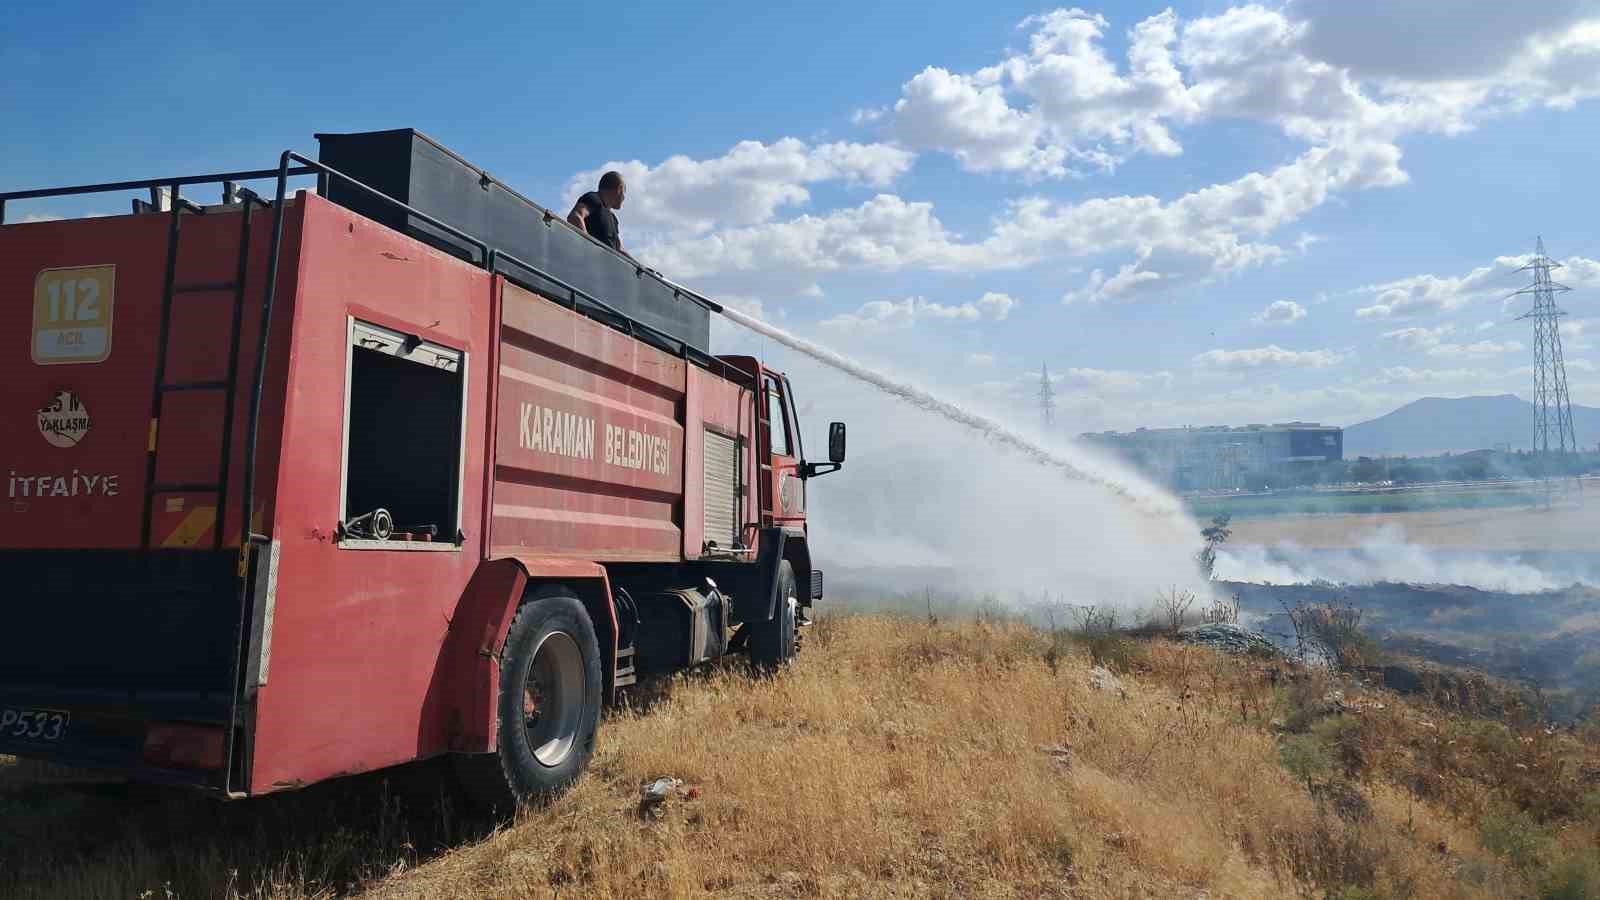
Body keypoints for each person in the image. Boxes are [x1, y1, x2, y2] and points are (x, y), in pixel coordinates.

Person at [567, 171, 630, 258]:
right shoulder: (593, 199)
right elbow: (575, 217)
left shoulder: (613, 218)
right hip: (591, 264)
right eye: (624, 192)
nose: (624, 198)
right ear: (620, 189)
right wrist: (588, 246)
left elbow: (619, 249)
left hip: (607, 267)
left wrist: (642, 269)